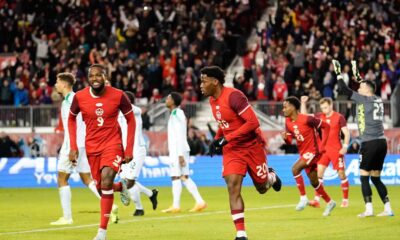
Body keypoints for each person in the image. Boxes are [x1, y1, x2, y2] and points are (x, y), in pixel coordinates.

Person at [200, 66, 281, 240]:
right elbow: (224, 123)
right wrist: (217, 139)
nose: (201, 85)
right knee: (232, 186)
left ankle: (271, 177)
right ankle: (241, 233)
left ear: (215, 82)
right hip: (233, 151)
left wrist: (226, 139)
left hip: (252, 146)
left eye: (204, 81)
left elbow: (253, 122)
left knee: (262, 187)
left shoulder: (234, 96)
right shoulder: (212, 101)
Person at [68, 64, 136, 240]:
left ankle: (101, 233)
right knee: (100, 187)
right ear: (88, 78)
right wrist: (73, 146)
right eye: (92, 76)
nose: (95, 79)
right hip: (92, 148)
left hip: (112, 144)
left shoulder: (118, 95)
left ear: (105, 77)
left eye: (99, 75)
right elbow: (71, 119)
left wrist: (128, 148)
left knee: (105, 182)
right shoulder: (80, 97)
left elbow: (131, 120)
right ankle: (121, 187)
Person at [333, 59, 394, 217]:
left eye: (360, 88)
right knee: (376, 178)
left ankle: (369, 209)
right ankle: (387, 208)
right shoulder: (377, 99)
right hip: (381, 142)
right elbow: (366, 85)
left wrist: (339, 74)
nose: (358, 89)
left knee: (364, 176)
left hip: (369, 143)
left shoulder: (363, 99)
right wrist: (357, 75)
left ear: (366, 90)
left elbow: (343, 89)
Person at [50, 72, 105, 225]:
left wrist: (72, 148)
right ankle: (110, 205)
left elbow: (72, 126)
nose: (56, 85)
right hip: (83, 143)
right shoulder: (79, 98)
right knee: (86, 178)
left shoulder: (69, 101)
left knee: (62, 178)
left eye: (57, 82)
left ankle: (67, 218)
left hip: (72, 145)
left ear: (64, 84)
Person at [281, 96, 336, 216]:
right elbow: (290, 141)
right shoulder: (288, 122)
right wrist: (286, 139)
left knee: (295, 169)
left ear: (293, 107)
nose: (283, 109)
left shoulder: (307, 119)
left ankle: (303, 198)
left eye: (285, 107)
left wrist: (323, 145)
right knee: (314, 181)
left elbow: (326, 126)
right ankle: (330, 202)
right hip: (304, 152)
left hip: (313, 151)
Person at [300, 96, 351, 208]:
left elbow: (346, 133)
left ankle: (345, 199)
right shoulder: (319, 116)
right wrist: (303, 103)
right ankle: (317, 200)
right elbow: (304, 117)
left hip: (336, 149)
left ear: (331, 105)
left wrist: (345, 146)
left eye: (326, 107)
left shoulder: (339, 117)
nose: (324, 110)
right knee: (319, 174)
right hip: (323, 150)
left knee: (341, 174)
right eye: (322, 108)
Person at [162, 92, 207, 213]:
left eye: (168, 98)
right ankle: (199, 202)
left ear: (173, 101)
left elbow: (181, 134)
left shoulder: (177, 114)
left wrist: (180, 154)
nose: (166, 100)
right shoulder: (175, 113)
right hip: (178, 150)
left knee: (177, 176)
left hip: (179, 151)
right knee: (182, 176)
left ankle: (177, 205)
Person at [118, 91, 159, 217]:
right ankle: (148, 197)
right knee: (125, 180)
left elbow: (132, 109)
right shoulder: (118, 114)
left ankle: (141, 206)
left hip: (137, 150)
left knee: (128, 182)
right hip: (124, 150)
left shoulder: (135, 111)